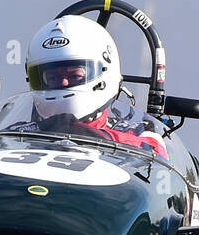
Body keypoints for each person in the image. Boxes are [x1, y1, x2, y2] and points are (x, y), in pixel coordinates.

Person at [17, 15, 168, 158]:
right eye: (53, 77)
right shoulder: (21, 132)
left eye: (74, 76)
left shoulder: (137, 130)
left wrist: (81, 132)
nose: (63, 83)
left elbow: (156, 154)